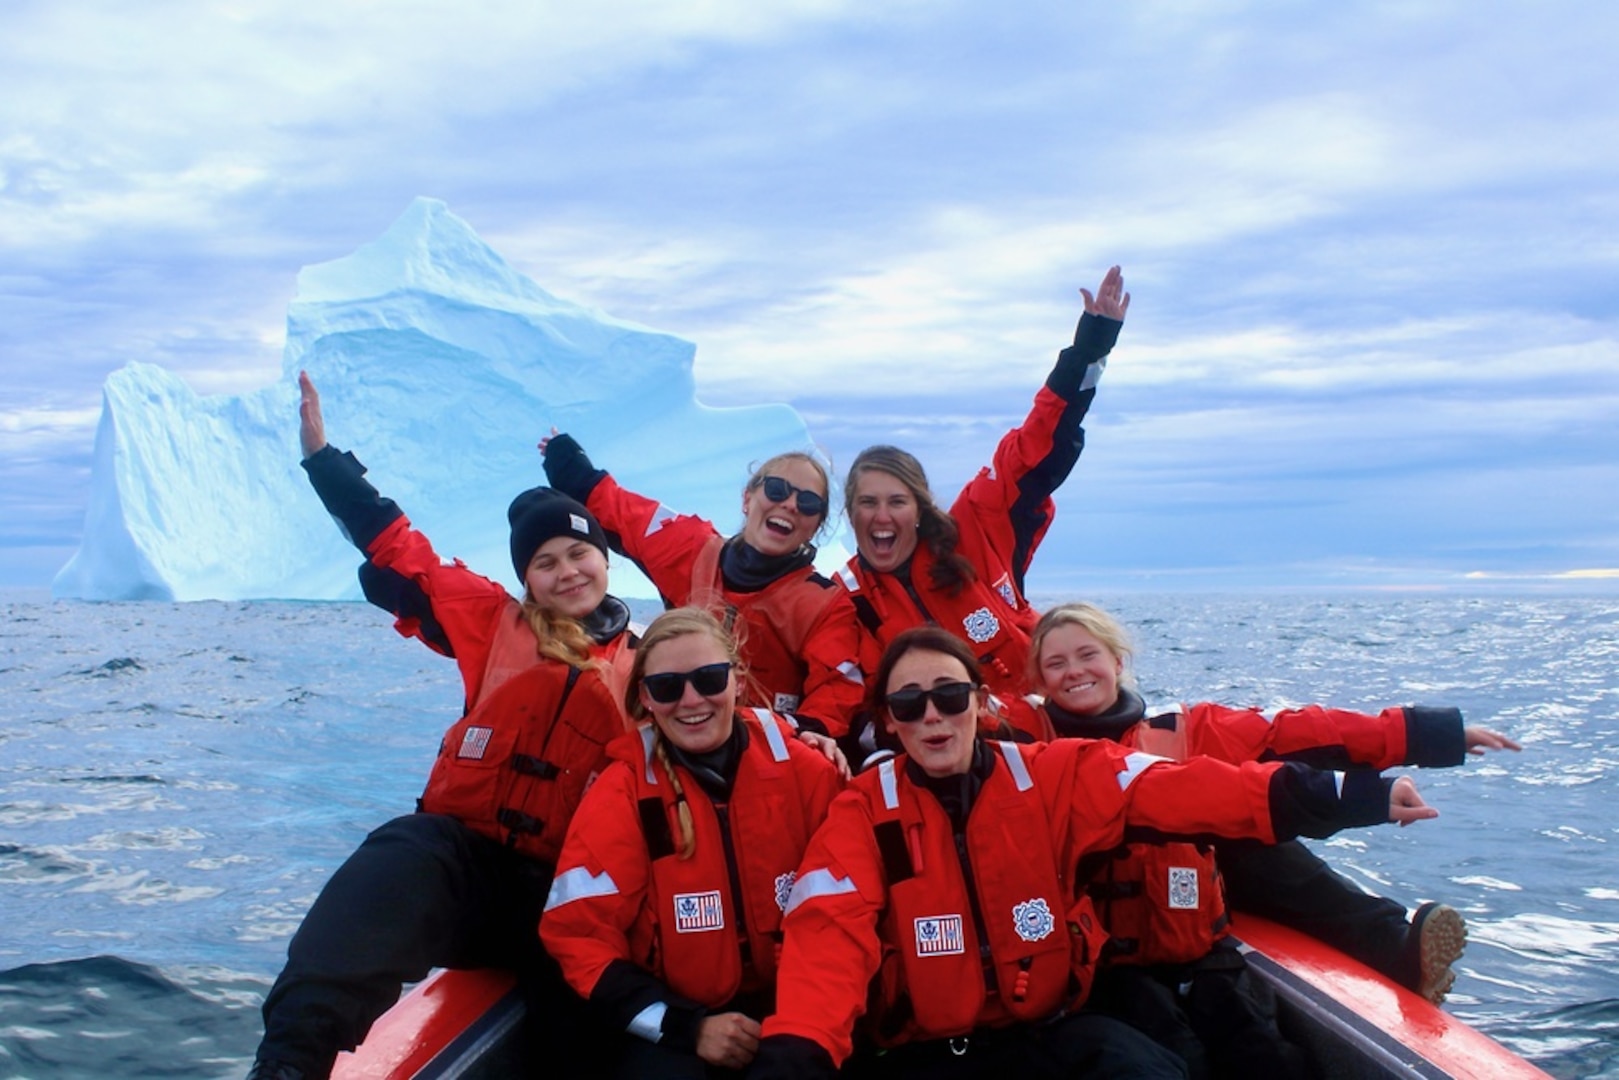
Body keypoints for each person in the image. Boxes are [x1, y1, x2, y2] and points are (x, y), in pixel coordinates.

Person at [748, 626, 1437, 1079]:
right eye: (907, 703)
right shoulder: (862, 811)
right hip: (927, 1053)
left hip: (1048, 1033)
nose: (931, 715)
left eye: (948, 695)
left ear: (981, 703)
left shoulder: (1054, 776)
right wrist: (798, 1048)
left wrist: (1353, 796)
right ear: (886, 722)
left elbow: (1194, 792)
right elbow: (826, 935)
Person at [247, 373, 634, 1080]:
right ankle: (289, 1061)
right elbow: (395, 544)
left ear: (604, 561)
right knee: (404, 848)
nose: (567, 571)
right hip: (470, 877)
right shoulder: (493, 622)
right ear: (526, 579)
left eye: (579, 553)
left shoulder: (651, 668)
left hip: (567, 902)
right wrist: (323, 458)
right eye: (544, 562)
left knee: (582, 1041)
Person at [1027, 602, 1522, 1075]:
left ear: (1117, 660)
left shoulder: (1186, 728)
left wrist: (1432, 737)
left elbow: (1298, 731)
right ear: (1039, 680)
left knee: (1270, 1058)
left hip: (1197, 950)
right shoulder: (1024, 748)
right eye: (1056, 663)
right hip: (1106, 972)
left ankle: (1390, 946)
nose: (1074, 671)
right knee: (1177, 1062)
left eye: (1087, 654)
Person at [540, 607, 847, 1078]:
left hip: (797, 1006)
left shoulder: (807, 772)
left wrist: (804, 1019)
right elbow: (576, 933)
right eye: (667, 687)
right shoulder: (622, 793)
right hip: (676, 1021)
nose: (690, 700)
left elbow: (854, 910)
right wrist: (689, 1028)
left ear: (737, 680)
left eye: (708, 679)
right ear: (645, 696)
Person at [836, 267, 1129, 745]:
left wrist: (1090, 350)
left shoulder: (978, 528)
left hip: (1056, 733)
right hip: (955, 759)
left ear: (920, 508)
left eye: (896, 501)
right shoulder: (846, 602)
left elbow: (1032, 449)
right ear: (851, 515)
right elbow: (841, 690)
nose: (882, 516)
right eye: (868, 503)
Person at [541, 432, 866, 739]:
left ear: (815, 528)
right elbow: (620, 509)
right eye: (778, 490)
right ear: (747, 499)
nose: (791, 504)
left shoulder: (824, 605)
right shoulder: (691, 548)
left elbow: (837, 690)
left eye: (809, 503)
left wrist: (792, 737)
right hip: (676, 737)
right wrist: (565, 458)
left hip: (766, 753)